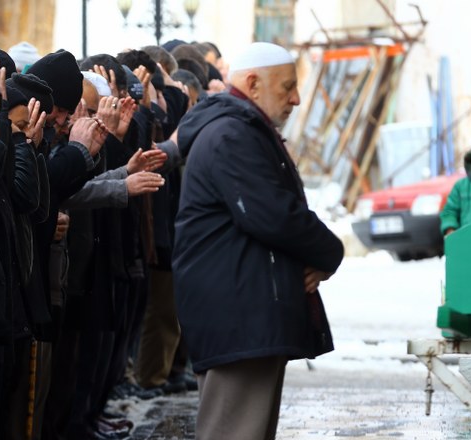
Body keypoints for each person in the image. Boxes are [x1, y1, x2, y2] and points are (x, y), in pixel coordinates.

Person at [171, 42, 344, 440]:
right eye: (288, 88)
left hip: (243, 314)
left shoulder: (237, 129)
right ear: (253, 83)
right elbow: (272, 215)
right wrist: (331, 252)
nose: (297, 99)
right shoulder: (233, 133)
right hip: (239, 318)